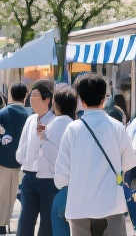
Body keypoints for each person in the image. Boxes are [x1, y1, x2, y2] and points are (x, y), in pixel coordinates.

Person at [54, 73, 136, 236]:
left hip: (80, 208)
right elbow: (130, 162)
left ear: (79, 99)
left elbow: (60, 177)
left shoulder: (72, 129)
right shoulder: (117, 127)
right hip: (112, 206)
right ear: (104, 98)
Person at [0, 82, 31, 235]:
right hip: (22, 163)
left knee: (0, 195)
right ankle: (6, 223)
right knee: (13, 196)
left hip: (2, 160)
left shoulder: (2, 113)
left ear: (11, 94)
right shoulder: (29, 116)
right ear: (25, 96)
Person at [17, 80, 57, 236]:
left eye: (35, 96)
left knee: (47, 222)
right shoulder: (30, 119)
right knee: (26, 219)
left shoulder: (54, 121)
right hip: (29, 176)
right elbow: (21, 148)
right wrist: (24, 161)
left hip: (48, 178)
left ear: (47, 99)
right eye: (31, 96)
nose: (31, 100)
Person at [48, 85, 77, 236]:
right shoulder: (78, 126)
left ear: (56, 104)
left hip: (58, 188)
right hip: (80, 189)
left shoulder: (52, 125)